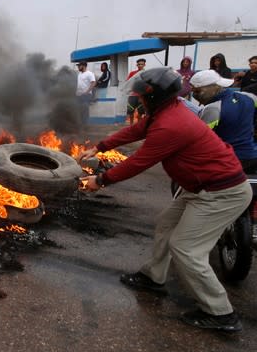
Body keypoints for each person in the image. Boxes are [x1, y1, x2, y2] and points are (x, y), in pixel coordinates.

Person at [79, 67, 249, 333]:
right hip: (200, 187)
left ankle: (220, 313)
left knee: (186, 248)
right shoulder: (166, 112)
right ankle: (154, 277)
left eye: (141, 96)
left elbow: (139, 162)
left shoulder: (171, 124)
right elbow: (135, 131)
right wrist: (100, 147)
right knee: (166, 225)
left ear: (154, 97)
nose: (138, 100)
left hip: (220, 192)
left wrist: (100, 181)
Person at [190, 69, 257, 172]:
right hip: (252, 155)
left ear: (210, 88)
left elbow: (199, 140)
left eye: (196, 91)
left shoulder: (213, 108)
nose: (195, 95)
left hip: (227, 160)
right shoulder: (249, 97)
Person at [124, 58, 146, 125]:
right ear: (137, 65)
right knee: (130, 112)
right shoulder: (132, 73)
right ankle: (131, 125)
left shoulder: (146, 73)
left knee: (140, 112)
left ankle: (138, 126)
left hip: (141, 96)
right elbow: (128, 83)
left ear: (144, 65)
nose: (140, 65)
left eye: (142, 64)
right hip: (132, 95)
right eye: (139, 64)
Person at [75, 61, 96, 126]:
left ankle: (85, 124)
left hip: (86, 95)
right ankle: (80, 124)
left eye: (79, 66)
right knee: (79, 109)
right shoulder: (79, 74)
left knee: (84, 109)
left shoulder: (89, 73)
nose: (78, 67)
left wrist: (87, 92)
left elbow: (93, 83)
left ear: (83, 66)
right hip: (79, 95)